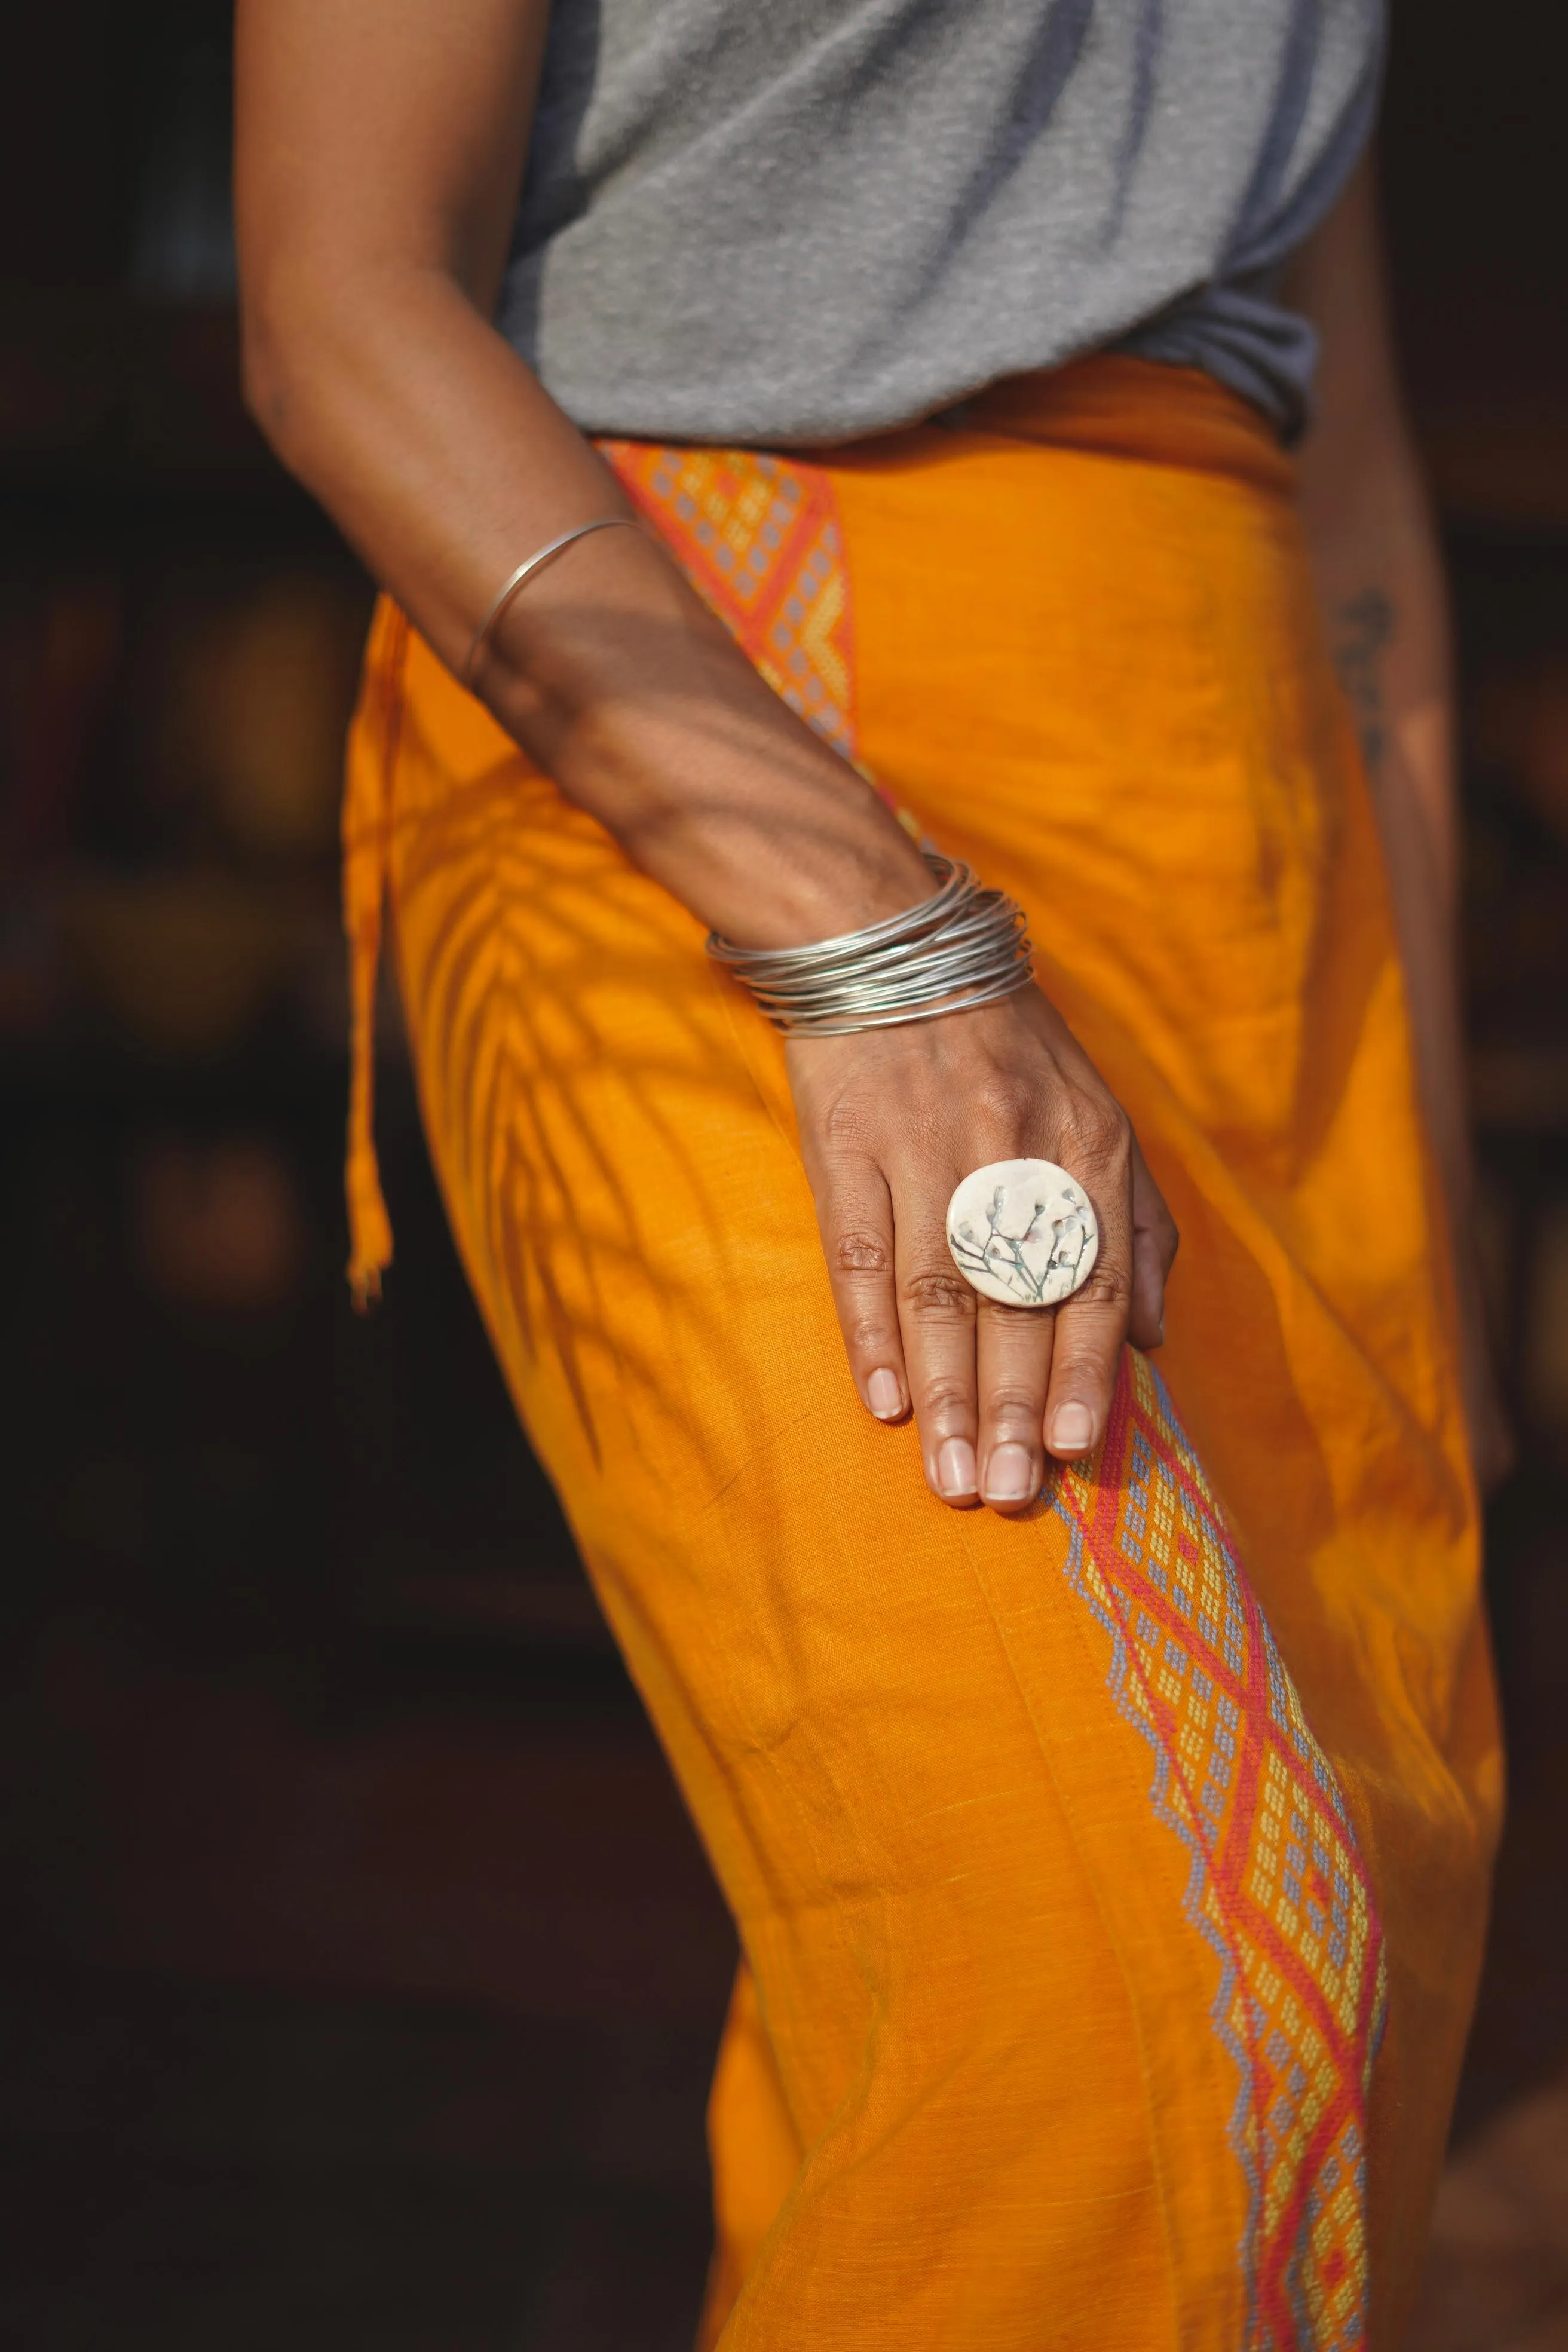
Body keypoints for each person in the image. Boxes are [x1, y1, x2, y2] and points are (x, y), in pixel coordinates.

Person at [235, 4, 1504, 2342]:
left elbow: (1340, 472)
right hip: (703, 679)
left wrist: (1423, 1154)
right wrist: (868, 941)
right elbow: (339, 295)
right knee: (1135, 1987)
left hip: (1238, 785)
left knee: (1364, 1932)